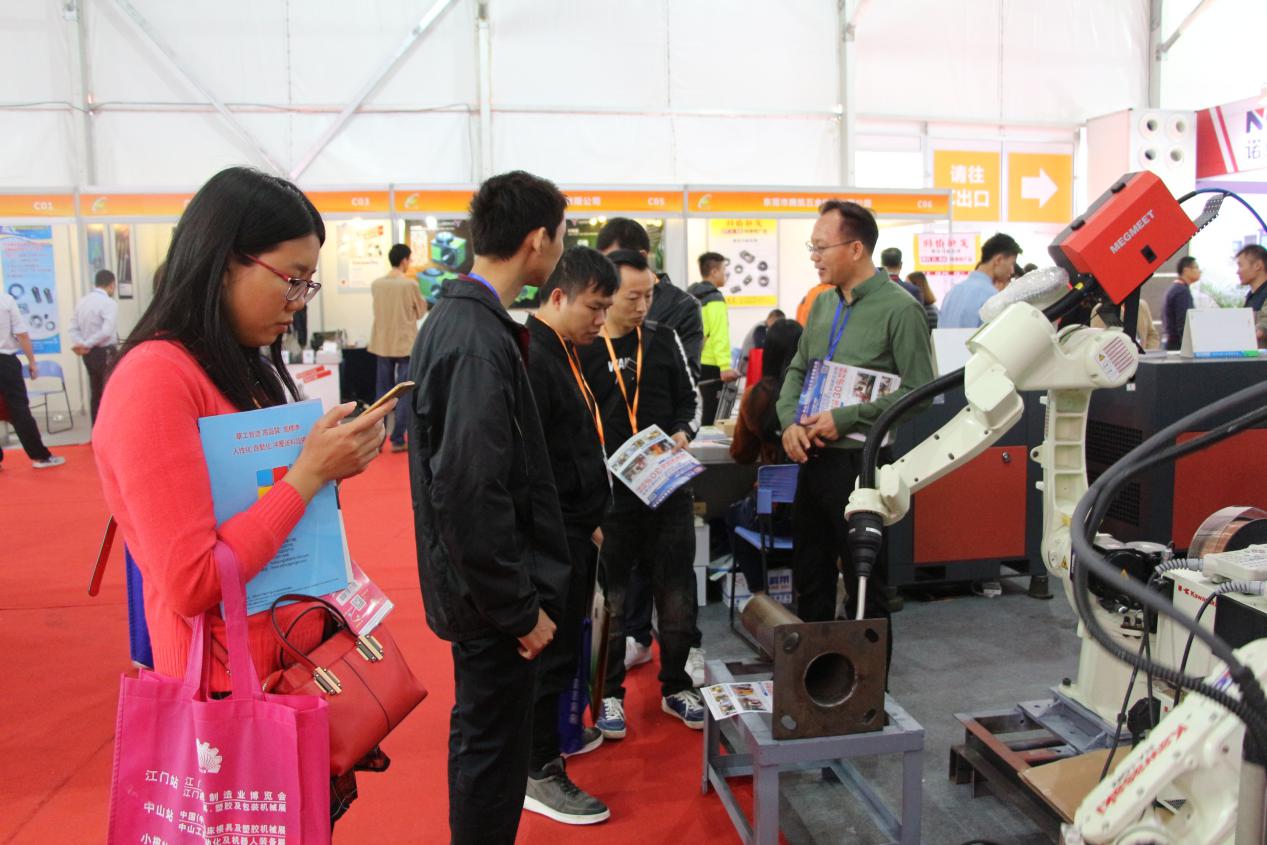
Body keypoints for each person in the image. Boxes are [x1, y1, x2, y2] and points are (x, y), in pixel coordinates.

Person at [94, 166, 395, 823]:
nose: (299, 300)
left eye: (308, 282)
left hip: (287, 674)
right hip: (226, 694)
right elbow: (194, 580)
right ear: (225, 261)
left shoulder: (236, 364)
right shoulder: (156, 380)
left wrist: (325, 470)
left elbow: (259, 510)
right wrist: (305, 477)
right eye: (292, 278)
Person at [407, 170, 571, 845]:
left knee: (484, 737)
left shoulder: (463, 320)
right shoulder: (474, 336)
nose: (560, 249)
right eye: (560, 237)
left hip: (480, 589)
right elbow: (471, 489)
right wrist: (518, 608)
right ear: (537, 240)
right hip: (491, 598)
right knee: (493, 752)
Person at [776, 200, 934, 656]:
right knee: (811, 577)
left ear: (856, 248)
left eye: (821, 247)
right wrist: (788, 424)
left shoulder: (901, 310)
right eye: (812, 247)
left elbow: (919, 391)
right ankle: (812, 679)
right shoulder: (823, 303)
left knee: (867, 585)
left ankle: (868, 686)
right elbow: (798, 369)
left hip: (862, 467)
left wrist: (845, 418)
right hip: (813, 459)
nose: (814, 256)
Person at [579, 249, 705, 740]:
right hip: (611, 497)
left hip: (667, 488)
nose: (642, 306)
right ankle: (608, 694)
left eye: (649, 295)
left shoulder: (662, 338)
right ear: (607, 295)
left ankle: (676, 684)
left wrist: (683, 433)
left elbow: (692, 400)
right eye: (632, 297)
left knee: (676, 593)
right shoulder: (584, 348)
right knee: (608, 598)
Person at [522, 246, 618, 825]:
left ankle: (548, 746)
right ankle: (538, 769)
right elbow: (533, 470)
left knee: (563, 654)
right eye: (595, 307)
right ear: (558, 297)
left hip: (575, 529)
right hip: (553, 540)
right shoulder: (535, 359)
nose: (602, 320)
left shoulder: (564, 352)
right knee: (550, 655)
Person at [727, 319, 803, 595]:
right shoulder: (812, 395)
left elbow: (741, 454)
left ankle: (759, 593)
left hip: (772, 515)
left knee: (732, 514)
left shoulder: (757, 396)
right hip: (810, 512)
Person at [597, 218, 703, 378]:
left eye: (615, 262)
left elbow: (686, 375)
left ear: (642, 257)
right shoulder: (597, 299)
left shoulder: (682, 306)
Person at [368, 243, 426, 452]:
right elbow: (420, 312)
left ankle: (377, 440)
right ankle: (398, 439)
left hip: (382, 343)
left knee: (381, 392)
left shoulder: (376, 284)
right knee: (403, 393)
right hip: (405, 344)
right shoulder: (410, 285)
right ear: (404, 261)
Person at [0, 289, 64, 470]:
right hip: (5, 361)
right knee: (19, 410)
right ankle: (40, 456)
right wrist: (32, 362)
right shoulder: (5, 301)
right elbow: (21, 334)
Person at [688, 251, 739, 425]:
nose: (725, 274)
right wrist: (725, 366)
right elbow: (719, 334)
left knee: (699, 412)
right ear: (714, 272)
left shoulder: (691, 295)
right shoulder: (714, 299)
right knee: (713, 416)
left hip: (694, 361)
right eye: (724, 270)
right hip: (711, 364)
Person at [939, 233, 1023, 329]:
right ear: (999, 260)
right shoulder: (991, 297)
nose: (1012, 271)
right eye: (1012, 264)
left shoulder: (952, 292)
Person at [70, 268, 120, 424]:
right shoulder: (109, 303)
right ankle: (109, 428)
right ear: (112, 285)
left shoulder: (82, 302)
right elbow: (106, 331)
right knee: (109, 392)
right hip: (105, 352)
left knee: (96, 392)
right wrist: (88, 344)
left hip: (89, 354)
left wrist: (82, 344)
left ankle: (96, 428)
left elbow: (72, 328)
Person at [1090, 298, 1161, 350]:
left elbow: (1152, 335)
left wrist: (1146, 354)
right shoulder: (1102, 309)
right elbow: (1098, 341)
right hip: (1118, 361)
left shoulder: (1141, 305)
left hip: (1142, 362)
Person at [1162, 256, 1200, 350]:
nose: (1199, 271)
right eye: (1196, 267)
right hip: (1178, 346)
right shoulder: (1181, 291)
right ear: (1186, 270)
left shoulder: (1176, 288)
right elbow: (1183, 322)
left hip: (1172, 344)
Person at [737, 308, 785, 378]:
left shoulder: (765, 328)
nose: (779, 327)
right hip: (748, 365)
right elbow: (761, 347)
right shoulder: (760, 328)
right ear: (771, 320)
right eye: (777, 324)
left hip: (752, 364)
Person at [1235, 244, 1267, 347]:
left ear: (1258, 265)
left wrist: (1259, 331)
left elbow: (1264, 324)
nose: (1237, 272)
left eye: (1240, 265)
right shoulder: (1250, 296)